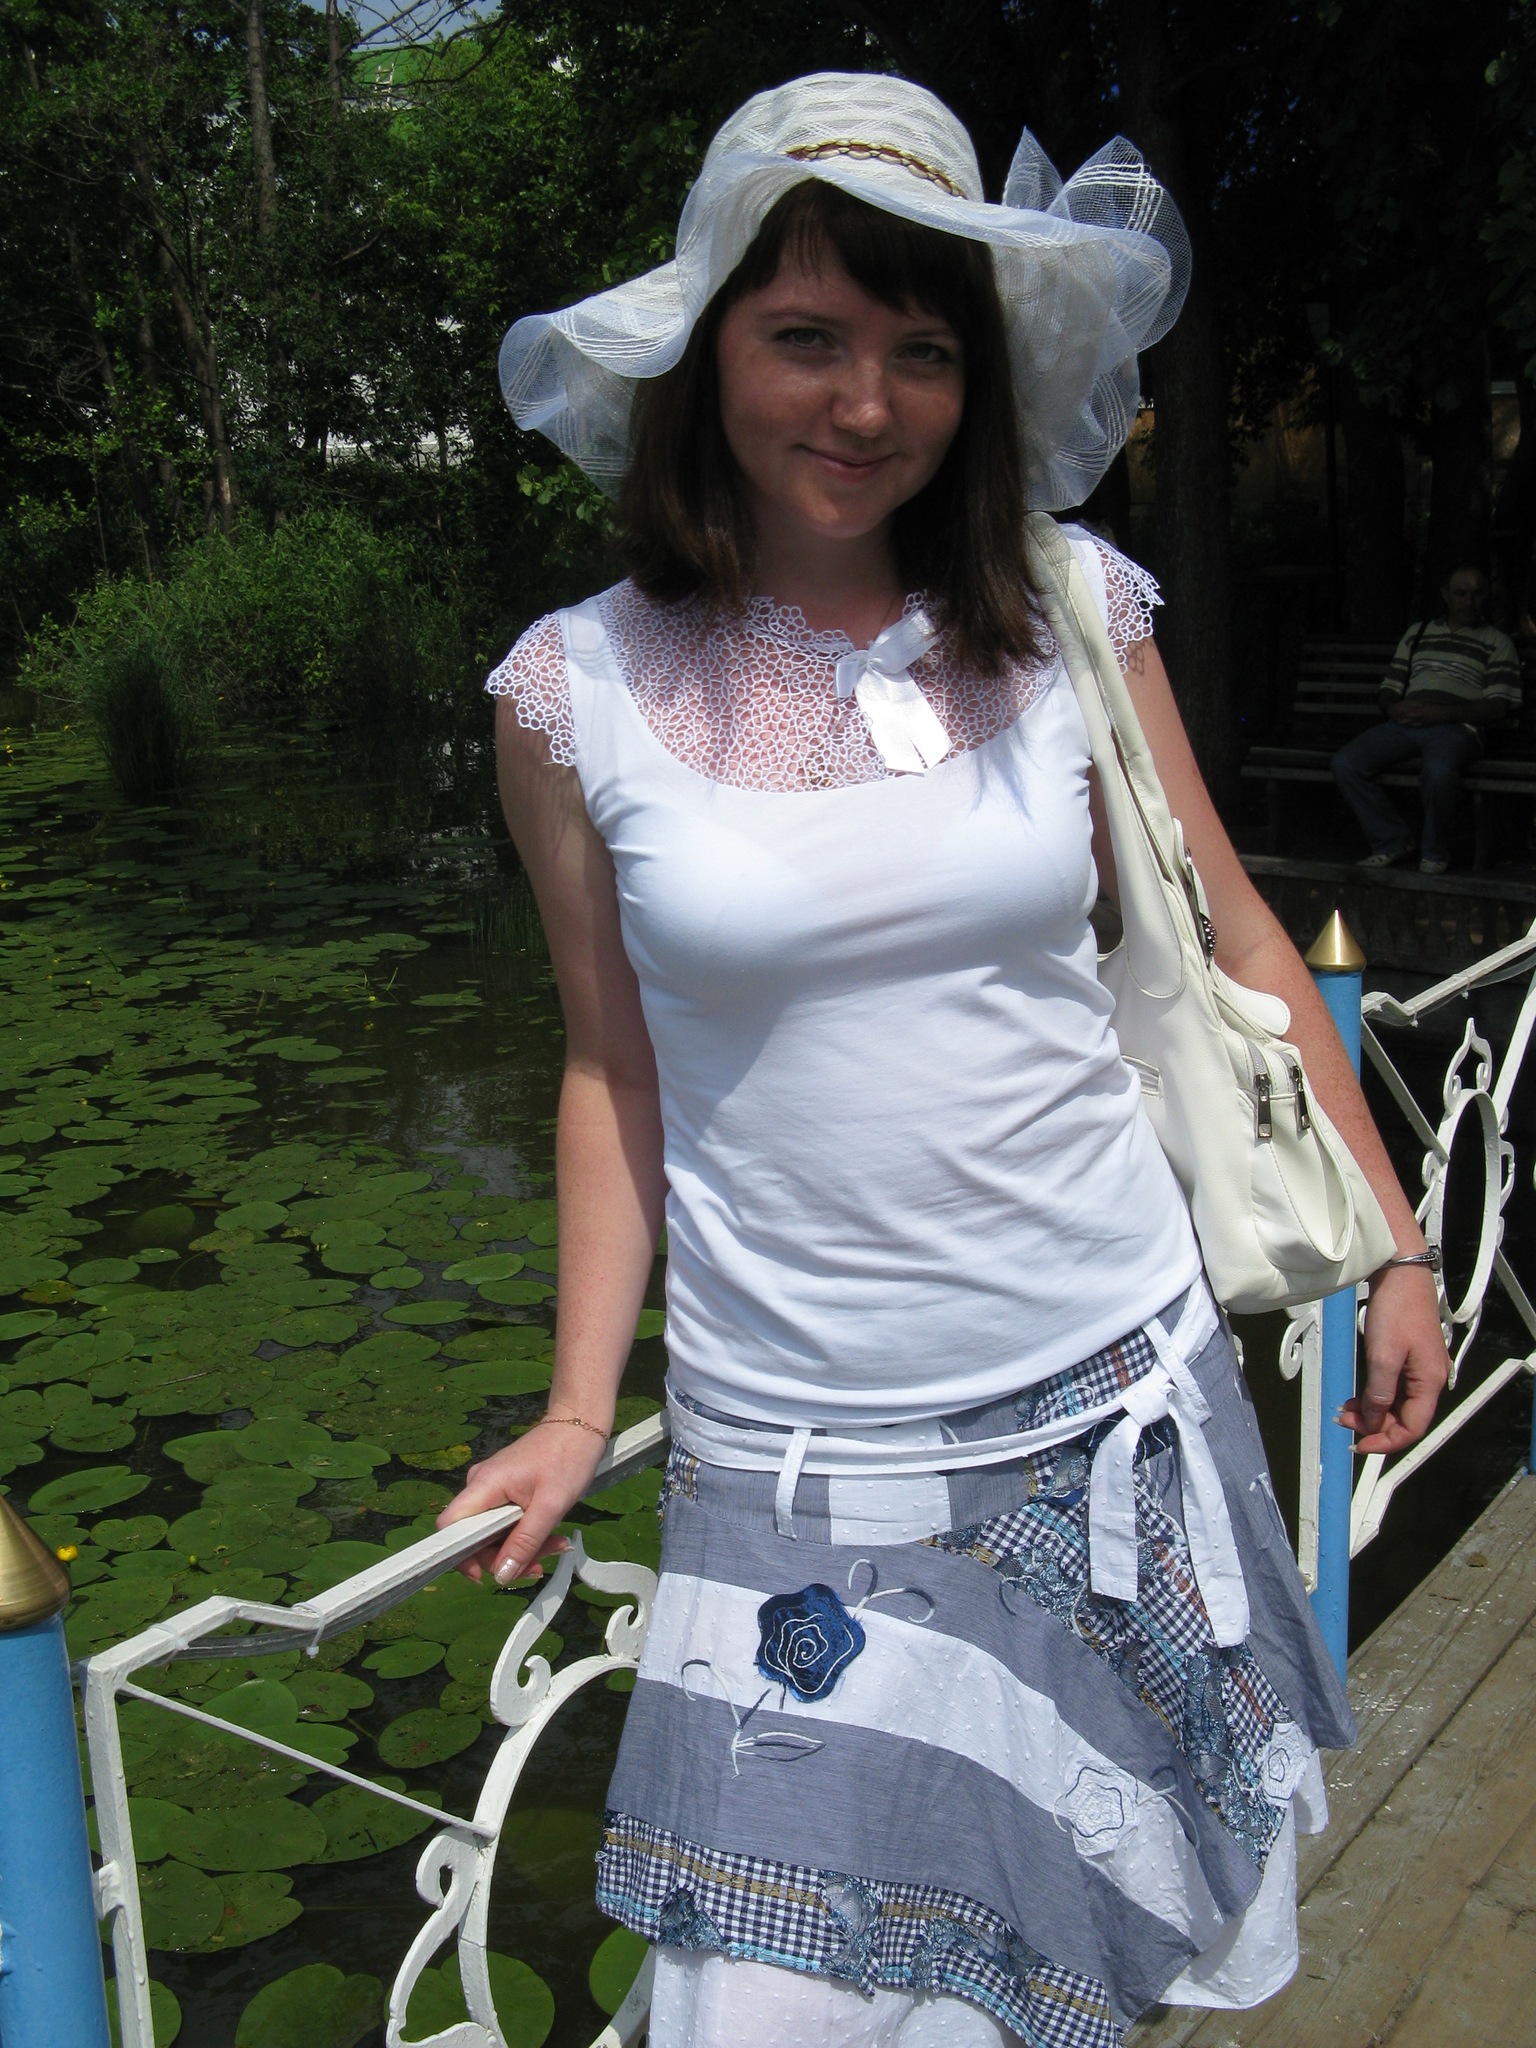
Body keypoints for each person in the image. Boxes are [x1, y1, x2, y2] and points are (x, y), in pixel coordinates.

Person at [440, 74, 1449, 2048]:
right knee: (780, 1995)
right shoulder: (575, 689)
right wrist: (574, 1407)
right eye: (805, 336)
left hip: (1114, 1397)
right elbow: (609, 1069)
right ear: (707, 348)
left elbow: (1238, 937)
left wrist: (1391, 1242)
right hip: (808, 1457)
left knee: (1082, 1957)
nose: (864, 402)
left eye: (920, 350)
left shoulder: (1068, 608)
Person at [1331, 565, 1521, 875]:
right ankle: (1392, 840)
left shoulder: (1497, 642)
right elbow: (1389, 688)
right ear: (1446, 595)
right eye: (1461, 593)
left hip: (1458, 728)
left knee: (1438, 771)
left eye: (1477, 594)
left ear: (1487, 596)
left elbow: (1496, 707)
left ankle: (1434, 851)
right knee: (1346, 763)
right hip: (1407, 722)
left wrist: (1439, 713)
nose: (1469, 602)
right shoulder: (1418, 633)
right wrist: (1394, 708)